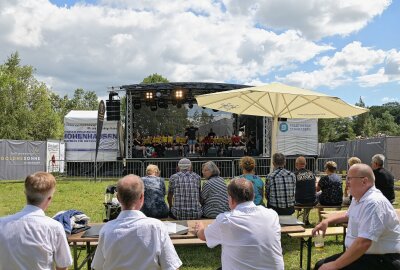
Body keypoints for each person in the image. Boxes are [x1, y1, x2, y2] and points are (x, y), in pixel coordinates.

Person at [312, 164, 400, 270]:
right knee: (320, 265)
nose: (347, 182)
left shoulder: (373, 203)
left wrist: (334, 265)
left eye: (349, 178)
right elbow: (348, 214)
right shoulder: (359, 198)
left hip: (382, 260)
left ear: (364, 181)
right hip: (366, 256)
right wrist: (326, 221)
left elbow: (364, 243)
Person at [92, 175, 182, 270]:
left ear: (118, 198)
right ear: (142, 197)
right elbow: (171, 266)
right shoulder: (157, 227)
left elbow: (98, 266)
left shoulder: (106, 230)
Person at [195, 178, 284, 270]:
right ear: (253, 196)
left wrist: (199, 228)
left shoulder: (226, 220)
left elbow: (203, 236)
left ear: (231, 199)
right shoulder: (272, 215)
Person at [0, 172, 72, 270]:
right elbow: (62, 266)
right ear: (49, 199)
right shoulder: (54, 227)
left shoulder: (2, 224)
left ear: (25, 194)